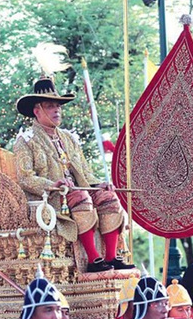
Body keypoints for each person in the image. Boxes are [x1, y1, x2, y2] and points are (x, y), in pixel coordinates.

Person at [14, 76, 131, 273]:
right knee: (81, 197)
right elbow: (25, 178)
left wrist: (99, 184)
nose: (57, 110)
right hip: (50, 198)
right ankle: (94, 259)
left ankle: (111, 257)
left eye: (58, 106)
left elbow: (85, 172)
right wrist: (53, 184)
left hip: (77, 192)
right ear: (37, 111)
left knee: (109, 197)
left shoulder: (69, 138)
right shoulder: (25, 140)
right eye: (50, 106)